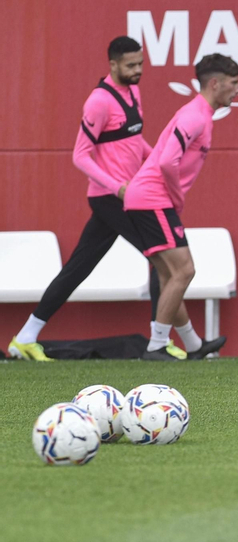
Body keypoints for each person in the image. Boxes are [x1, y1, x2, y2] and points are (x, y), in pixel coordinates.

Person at [9, 38, 225, 361]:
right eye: (130, 66)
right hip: (111, 198)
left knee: (78, 268)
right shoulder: (99, 102)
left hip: (129, 195)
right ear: (112, 64)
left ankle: (25, 337)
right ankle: (162, 342)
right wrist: (118, 187)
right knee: (162, 259)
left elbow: (134, 142)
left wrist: (154, 161)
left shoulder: (134, 92)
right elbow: (80, 156)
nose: (137, 71)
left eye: (140, 64)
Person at [121, 53, 238, 361]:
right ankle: (157, 345)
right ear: (215, 84)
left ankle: (194, 344)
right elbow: (165, 161)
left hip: (146, 199)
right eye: (233, 83)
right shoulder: (195, 116)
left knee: (169, 273)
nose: (237, 91)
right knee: (185, 270)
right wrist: (176, 196)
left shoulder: (201, 114)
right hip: (152, 199)